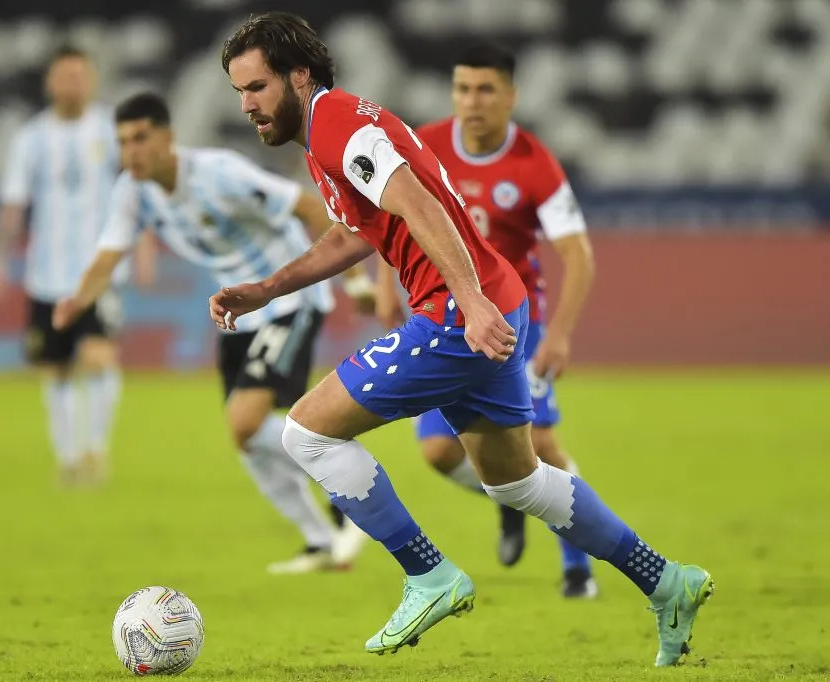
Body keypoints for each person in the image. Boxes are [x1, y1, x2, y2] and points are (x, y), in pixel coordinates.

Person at [212, 12, 714, 665]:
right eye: (239, 93)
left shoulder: (336, 123)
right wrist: (269, 288)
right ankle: (667, 580)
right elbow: (356, 232)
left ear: (298, 76)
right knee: (517, 481)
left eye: (256, 88)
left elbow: (416, 204)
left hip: (458, 309)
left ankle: (428, 575)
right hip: (491, 299)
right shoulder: (325, 135)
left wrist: (469, 303)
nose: (247, 105)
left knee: (306, 432)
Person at [53, 91, 372, 574]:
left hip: (288, 301)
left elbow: (308, 207)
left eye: (140, 138)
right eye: (122, 142)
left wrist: (356, 279)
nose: (132, 152)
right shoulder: (132, 190)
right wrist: (76, 301)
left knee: (246, 420)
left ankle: (346, 485)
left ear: (167, 137)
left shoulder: (220, 174)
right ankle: (321, 540)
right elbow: (108, 254)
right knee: (245, 436)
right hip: (239, 313)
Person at [373, 43, 598, 597]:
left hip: (518, 321)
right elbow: (391, 216)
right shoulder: (423, 144)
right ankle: (511, 498)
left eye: (486, 90)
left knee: (540, 442)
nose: (472, 102)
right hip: (446, 319)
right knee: (437, 452)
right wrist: (384, 288)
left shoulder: (532, 162)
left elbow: (578, 254)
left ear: (511, 96)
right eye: (463, 89)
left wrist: (561, 336)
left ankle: (577, 565)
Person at [0, 45, 135, 485]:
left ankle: (96, 452)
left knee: (99, 356)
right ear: (50, 83)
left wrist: (142, 246)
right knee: (55, 369)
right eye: (64, 76)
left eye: (80, 76)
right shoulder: (30, 139)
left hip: (99, 271)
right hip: (45, 275)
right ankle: (68, 459)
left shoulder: (112, 131)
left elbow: (136, 189)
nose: (73, 84)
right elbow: (13, 204)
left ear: (91, 80)